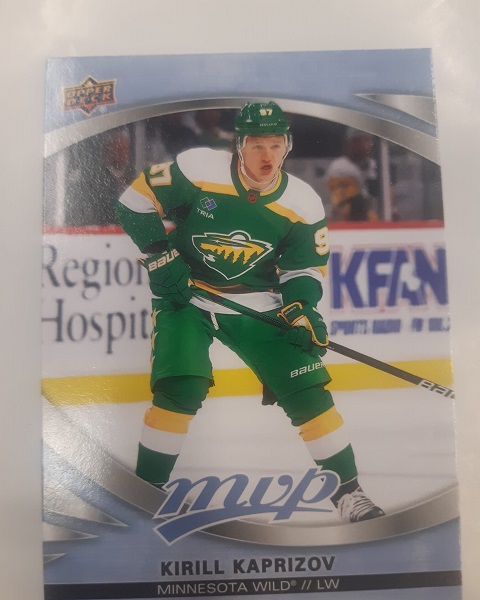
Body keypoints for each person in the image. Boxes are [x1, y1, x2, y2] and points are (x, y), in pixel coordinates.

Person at [116, 102, 384, 522]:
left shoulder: (303, 201)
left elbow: (302, 269)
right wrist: (159, 254)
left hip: (258, 303)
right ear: (238, 144)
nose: (266, 156)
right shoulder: (199, 167)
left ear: (287, 146)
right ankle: (145, 494)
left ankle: (349, 495)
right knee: (180, 385)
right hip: (187, 294)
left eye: (275, 145)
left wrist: (301, 310)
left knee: (308, 391)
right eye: (257, 145)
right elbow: (133, 202)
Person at [326, 128, 379, 222]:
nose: (364, 145)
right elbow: (348, 205)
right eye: (358, 141)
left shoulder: (375, 165)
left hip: (375, 220)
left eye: (367, 141)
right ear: (348, 144)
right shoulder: (339, 167)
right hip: (346, 222)